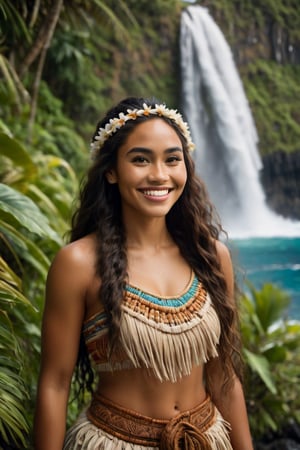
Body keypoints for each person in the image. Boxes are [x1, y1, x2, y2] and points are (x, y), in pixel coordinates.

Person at [34, 96, 253, 449]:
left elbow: (224, 375)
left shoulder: (211, 256)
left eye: (172, 159)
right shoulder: (78, 265)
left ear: (186, 167)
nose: (159, 175)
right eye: (140, 160)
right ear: (111, 170)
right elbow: (55, 384)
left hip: (206, 440)